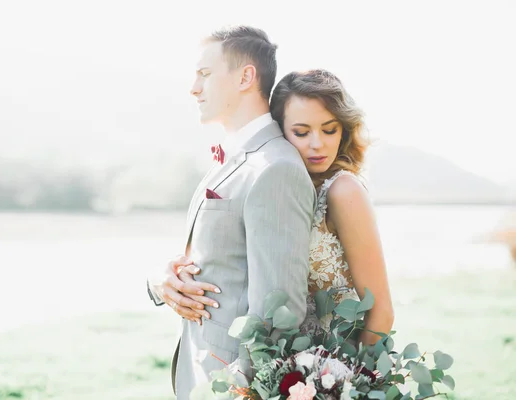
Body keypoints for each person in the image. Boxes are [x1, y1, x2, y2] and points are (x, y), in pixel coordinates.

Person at [164, 68, 395, 348]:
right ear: (279, 131)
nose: (317, 144)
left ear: (343, 130)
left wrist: (349, 380)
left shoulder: (344, 191)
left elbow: (381, 312)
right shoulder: (270, 187)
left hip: (332, 374)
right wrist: (167, 275)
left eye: (329, 129)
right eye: (301, 132)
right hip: (279, 368)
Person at [146, 26, 316, 399]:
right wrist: (162, 281)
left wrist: (236, 388)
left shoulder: (275, 168)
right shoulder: (232, 158)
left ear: (245, 76)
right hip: (197, 374)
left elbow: (278, 310)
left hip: (229, 387)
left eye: (205, 74)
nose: (193, 87)